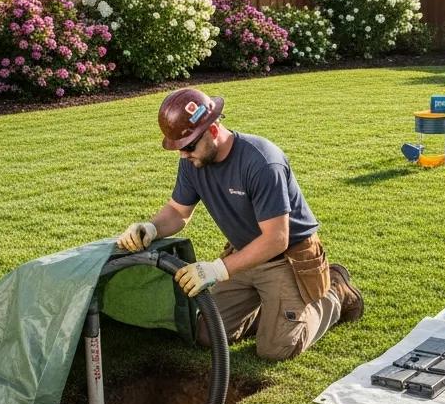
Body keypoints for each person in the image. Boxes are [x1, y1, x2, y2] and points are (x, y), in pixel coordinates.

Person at [117, 88, 363, 360]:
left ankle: (335, 292)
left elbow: (276, 239)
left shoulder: (261, 162)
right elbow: (177, 211)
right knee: (206, 333)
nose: (184, 155)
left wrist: (216, 269)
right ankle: (273, 311)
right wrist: (150, 227)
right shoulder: (193, 162)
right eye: (179, 148)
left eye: (188, 146)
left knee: (276, 349)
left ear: (212, 131)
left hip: (286, 260)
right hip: (244, 256)